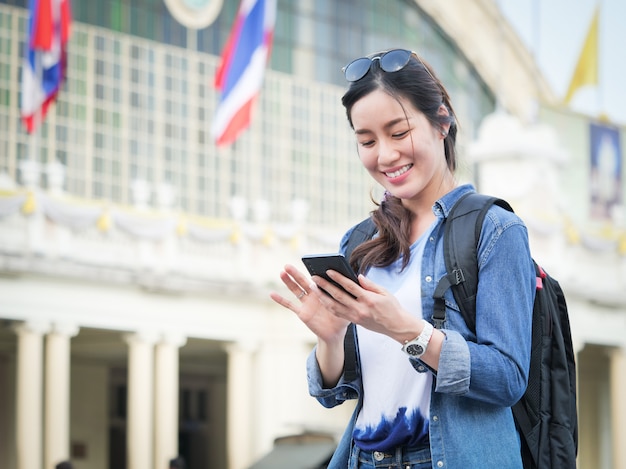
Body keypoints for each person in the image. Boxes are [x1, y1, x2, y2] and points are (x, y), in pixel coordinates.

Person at [270, 49, 536, 469]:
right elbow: (339, 392)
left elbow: (507, 378)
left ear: (441, 123)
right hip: (366, 457)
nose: (385, 155)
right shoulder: (360, 242)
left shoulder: (495, 230)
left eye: (399, 132)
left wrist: (406, 330)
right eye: (367, 140)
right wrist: (330, 338)